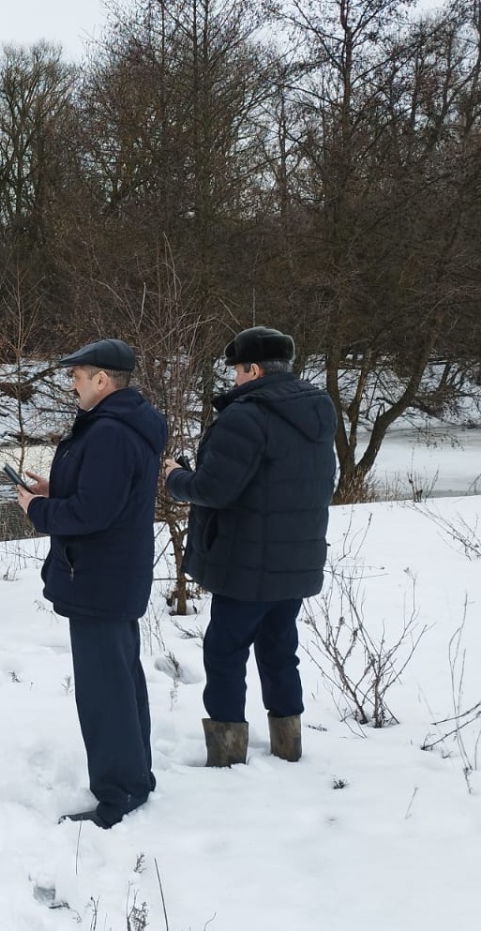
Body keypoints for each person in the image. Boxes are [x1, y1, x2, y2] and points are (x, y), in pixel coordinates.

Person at [163, 326, 336, 766]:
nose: (234, 380)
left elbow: (212, 489)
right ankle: (288, 743)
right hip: (296, 558)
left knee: (224, 652)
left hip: (244, 563)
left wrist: (174, 477)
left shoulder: (245, 416)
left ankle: (226, 753)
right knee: (280, 649)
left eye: (237, 371)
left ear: (253, 369)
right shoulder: (318, 410)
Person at [16, 338, 166, 829]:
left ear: (102, 380)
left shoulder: (109, 433)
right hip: (111, 576)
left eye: (77, 376)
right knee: (120, 683)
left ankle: (119, 792)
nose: (72, 384)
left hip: (99, 577)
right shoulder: (122, 425)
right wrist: (54, 489)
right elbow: (104, 495)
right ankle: (133, 779)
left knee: (105, 692)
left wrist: (37, 509)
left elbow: (92, 513)